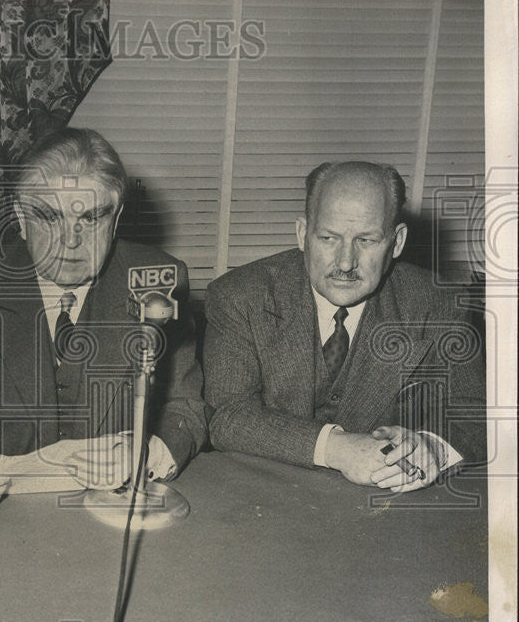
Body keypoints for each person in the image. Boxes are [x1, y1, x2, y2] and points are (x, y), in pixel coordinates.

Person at [0, 128, 207, 510]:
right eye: (50, 217)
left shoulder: (159, 279)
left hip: (112, 510)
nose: (71, 240)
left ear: (117, 217)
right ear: (20, 218)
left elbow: (185, 408)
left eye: (90, 218)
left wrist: (144, 452)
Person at [204, 161, 485, 492]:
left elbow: (478, 412)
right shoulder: (239, 296)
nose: (345, 262)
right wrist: (336, 448)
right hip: (261, 495)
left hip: (378, 509)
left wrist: (433, 448)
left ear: (396, 242)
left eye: (366, 240)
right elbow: (228, 416)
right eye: (328, 238)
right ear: (302, 234)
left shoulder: (438, 303)